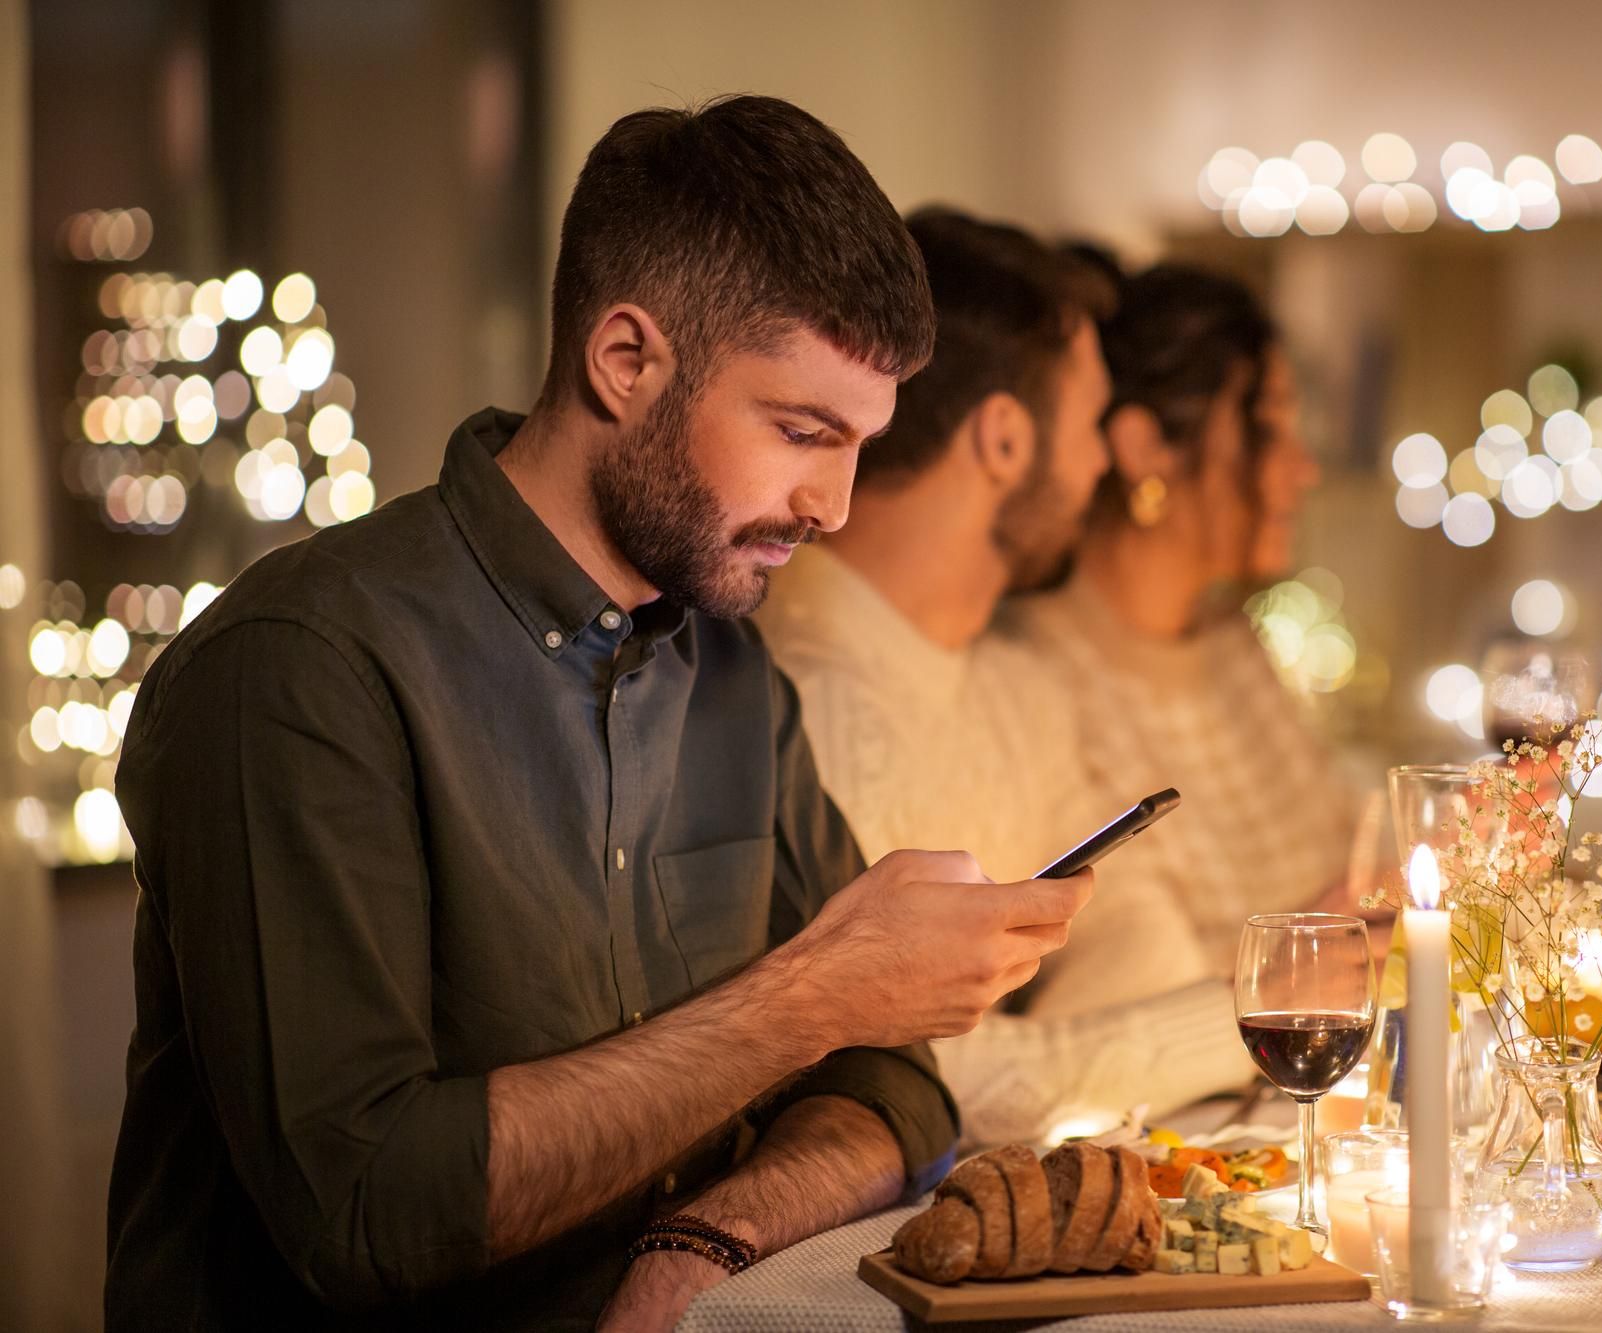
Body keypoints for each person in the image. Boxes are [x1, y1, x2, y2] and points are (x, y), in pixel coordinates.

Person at [105, 98, 1092, 1333]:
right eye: (801, 431)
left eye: (860, 446)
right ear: (626, 362)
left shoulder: (732, 673)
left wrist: (704, 1240)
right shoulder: (299, 669)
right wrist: (814, 992)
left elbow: (892, 1085)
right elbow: (366, 1211)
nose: (834, 505)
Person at [757, 209, 1251, 1146]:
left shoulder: (1013, 678)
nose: (1105, 460)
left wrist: (1070, 1054)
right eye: (1093, 423)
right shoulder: (802, 698)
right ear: (1005, 440)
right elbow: (919, 1077)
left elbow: (1132, 926)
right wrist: (1241, 1018)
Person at [1000, 262, 1361, 977]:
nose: (1302, 467)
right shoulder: (1036, 674)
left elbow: (1345, 861)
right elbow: (1116, 981)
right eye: (1267, 426)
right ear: (1144, 447)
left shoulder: (1233, 643)